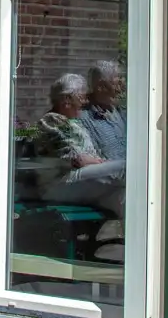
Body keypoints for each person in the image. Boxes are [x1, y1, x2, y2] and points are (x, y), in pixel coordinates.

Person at [34, 73, 127, 261]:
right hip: (60, 183)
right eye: (81, 97)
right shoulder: (51, 121)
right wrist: (94, 161)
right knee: (127, 168)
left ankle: (148, 257)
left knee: (127, 198)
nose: (85, 102)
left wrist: (95, 160)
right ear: (66, 100)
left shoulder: (74, 122)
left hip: (81, 180)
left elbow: (89, 157)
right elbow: (76, 159)